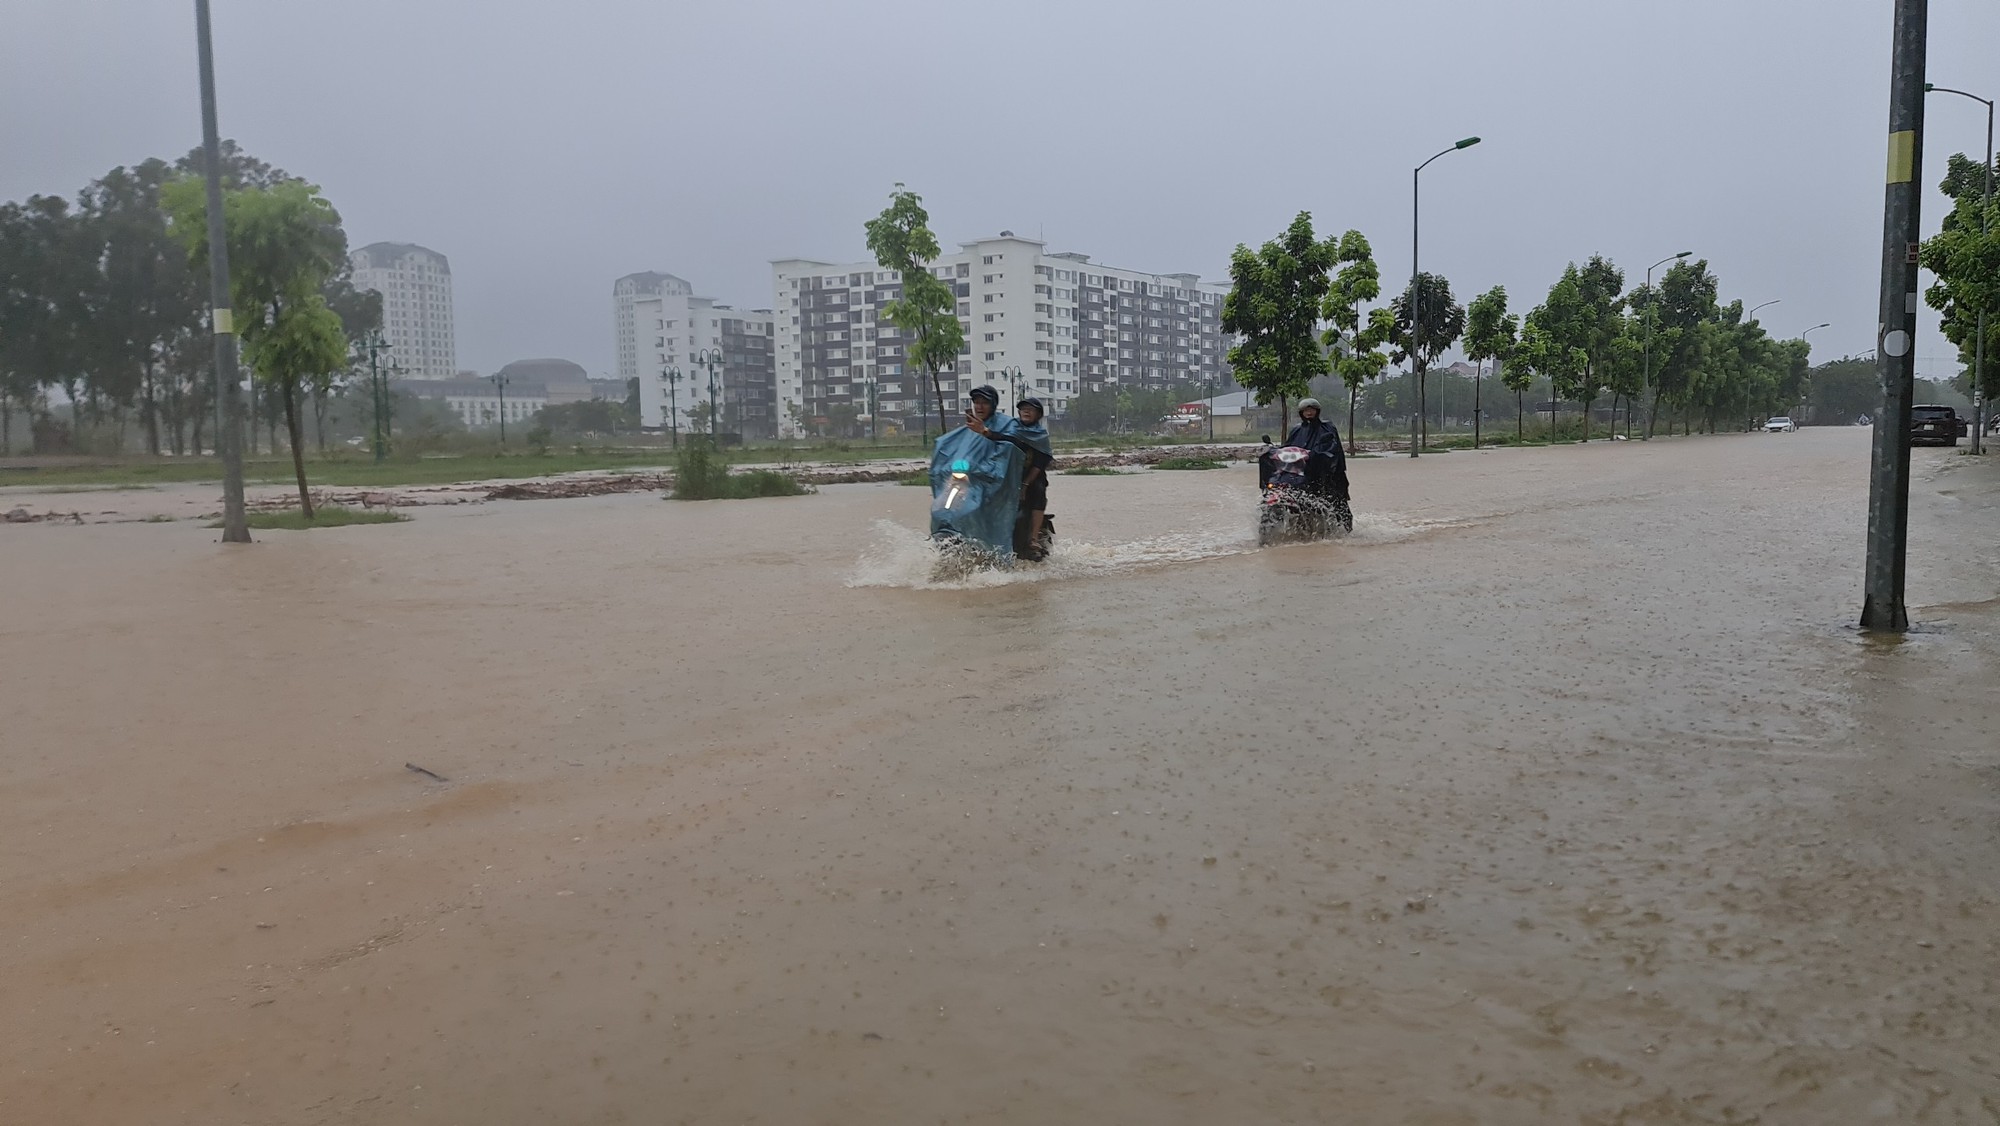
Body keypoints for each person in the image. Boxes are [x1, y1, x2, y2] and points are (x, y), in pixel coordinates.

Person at [964, 388, 1055, 560]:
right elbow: (1002, 438)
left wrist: (1025, 484)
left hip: (1030, 476)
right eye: (1023, 409)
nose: (1026, 412)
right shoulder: (1011, 426)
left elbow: (1039, 462)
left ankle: (1033, 538)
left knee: (1038, 489)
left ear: (1039, 415)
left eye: (1031, 409)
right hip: (1004, 473)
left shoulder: (1040, 435)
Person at [1282, 398, 1349, 501]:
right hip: (1301, 471)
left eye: (1312, 410)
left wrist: (1315, 454)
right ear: (1301, 412)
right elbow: (1288, 447)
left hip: (1325, 470)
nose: (1309, 413)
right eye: (1306, 410)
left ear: (1317, 411)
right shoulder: (1297, 430)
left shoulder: (1327, 427)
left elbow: (1332, 447)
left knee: (1334, 497)